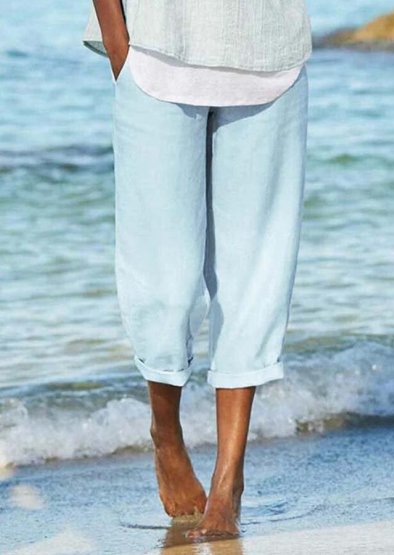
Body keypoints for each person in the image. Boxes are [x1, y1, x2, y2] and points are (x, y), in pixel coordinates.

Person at [83, 0, 312, 539]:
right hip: (155, 51)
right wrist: (119, 46)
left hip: (271, 54)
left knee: (255, 282)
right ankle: (166, 435)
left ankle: (229, 481)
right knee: (166, 288)